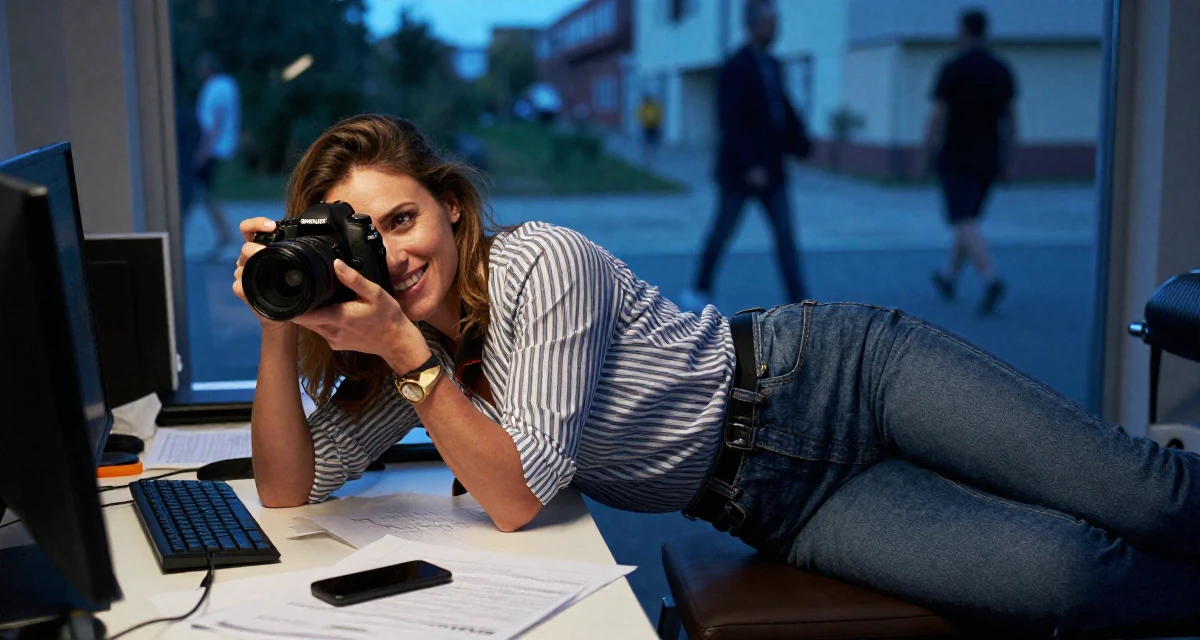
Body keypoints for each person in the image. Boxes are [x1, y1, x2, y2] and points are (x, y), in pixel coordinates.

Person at [232, 113, 1200, 634]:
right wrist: (282, 318)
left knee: (1146, 495)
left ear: (447, 206)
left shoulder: (538, 262)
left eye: (404, 219)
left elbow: (516, 491)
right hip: (779, 506)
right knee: (1067, 575)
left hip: (840, 371)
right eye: (367, 238)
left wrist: (405, 354)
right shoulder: (405, 355)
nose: (395, 255)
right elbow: (288, 484)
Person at [680, 0, 812, 313]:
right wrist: (749, 164)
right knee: (722, 231)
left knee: (785, 237)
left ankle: (801, 304)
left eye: (777, 20)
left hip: (773, 169)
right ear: (752, 25)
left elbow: (782, 110)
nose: (776, 27)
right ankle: (698, 288)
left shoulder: (773, 65)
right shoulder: (736, 66)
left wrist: (801, 143)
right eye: (770, 21)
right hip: (741, 171)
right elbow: (730, 121)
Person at [918, 8, 1016, 314]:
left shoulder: (953, 68)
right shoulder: (1000, 69)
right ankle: (949, 277)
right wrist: (1008, 157)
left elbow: (937, 115)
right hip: (988, 156)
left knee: (964, 219)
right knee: (968, 218)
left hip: (955, 156)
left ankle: (990, 278)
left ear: (963, 32)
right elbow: (1011, 119)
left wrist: (924, 152)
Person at [193, 51, 241, 252]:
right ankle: (224, 232)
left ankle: (225, 233)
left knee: (207, 193)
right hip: (224, 146)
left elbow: (215, 120)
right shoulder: (229, 84)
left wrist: (203, 150)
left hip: (214, 148)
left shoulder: (215, 88)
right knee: (208, 193)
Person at [637, 93, 663, 164]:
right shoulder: (645, 107)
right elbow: (640, 115)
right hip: (647, 126)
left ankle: (651, 154)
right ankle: (647, 154)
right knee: (647, 141)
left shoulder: (653, 107)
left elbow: (658, 115)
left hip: (653, 125)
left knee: (652, 140)